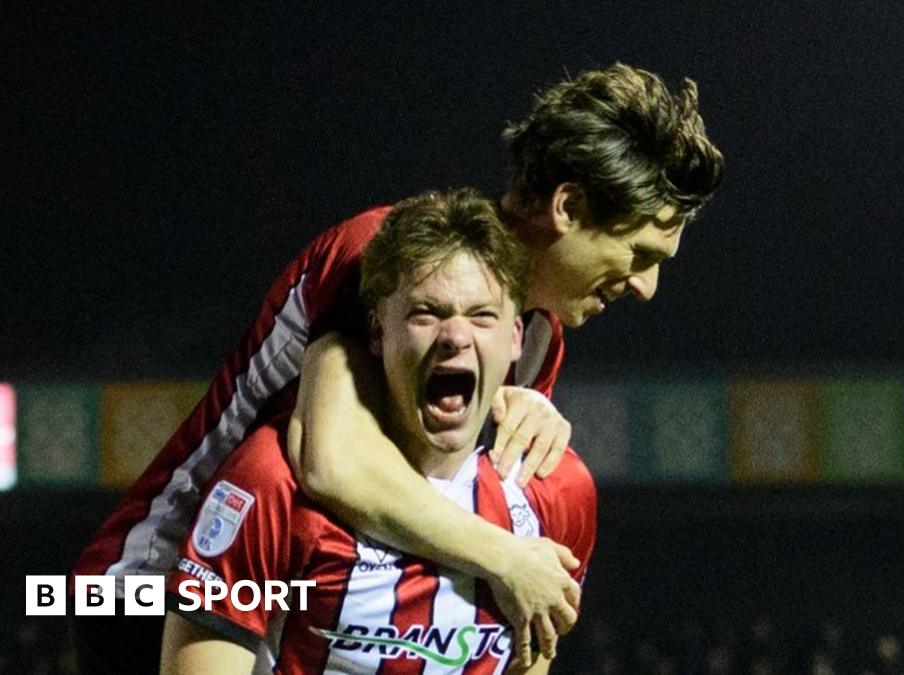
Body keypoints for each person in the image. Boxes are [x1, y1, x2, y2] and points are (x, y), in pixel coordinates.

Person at [72, 62, 723, 672]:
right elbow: (332, 462)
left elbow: (443, 496)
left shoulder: (534, 340)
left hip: (291, 615)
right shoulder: (388, 257)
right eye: (640, 252)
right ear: (570, 208)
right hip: (154, 593)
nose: (647, 287)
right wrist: (509, 557)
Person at [161, 189, 596, 674]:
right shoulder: (268, 484)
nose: (455, 337)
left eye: (481, 316)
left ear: (517, 336)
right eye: (425, 314)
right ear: (375, 331)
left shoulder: (556, 490)